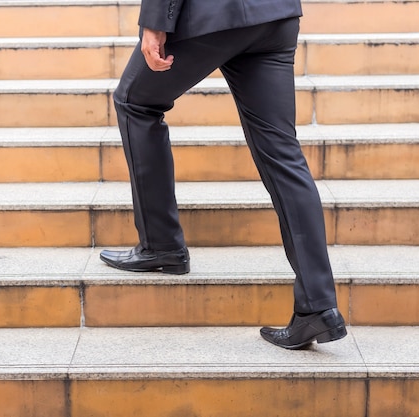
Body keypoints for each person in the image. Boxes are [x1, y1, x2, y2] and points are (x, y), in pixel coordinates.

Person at [99, 0, 347, 349]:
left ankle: (161, 245)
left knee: (134, 102)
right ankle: (318, 306)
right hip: (274, 16)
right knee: (282, 152)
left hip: (211, 15)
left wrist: (155, 22)